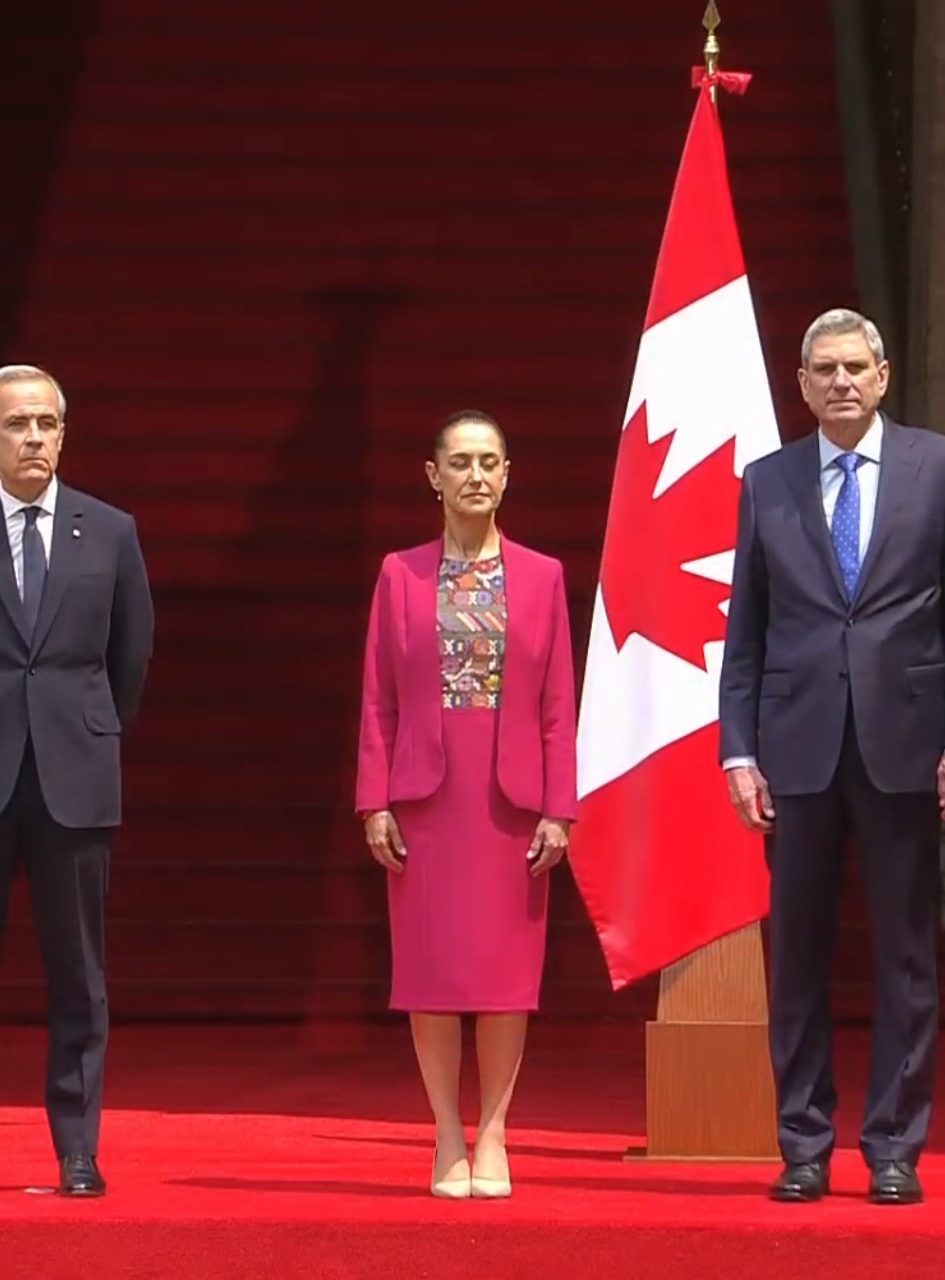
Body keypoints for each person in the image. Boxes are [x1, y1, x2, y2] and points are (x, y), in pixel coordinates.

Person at [719, 309, 945, 1206]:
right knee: (797, 954)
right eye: (824, 370)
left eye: (854, 367)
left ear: (883, 376)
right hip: (796, 749)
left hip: (904, 745)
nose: (840, 381)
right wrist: (737, 750)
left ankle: (894, 1148)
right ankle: (803, 1143)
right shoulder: (767, 482)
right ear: (802, 386)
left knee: (905, 954)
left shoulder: (940, 468)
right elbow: (747, 630)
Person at [0, 364, 155, 1199]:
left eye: (46, 423)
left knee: (78, 975)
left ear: (63, 433)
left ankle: (77, 1147)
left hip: (73, 778)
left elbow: (130, 658)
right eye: (17, 425)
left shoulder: (110, 532)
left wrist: (82, 730)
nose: (34, 437)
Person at [355, 411, 578, 1199]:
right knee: (433, 978)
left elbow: (558, 704)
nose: (475, 475)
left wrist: (560, 809)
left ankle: (495, 1134)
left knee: (505, 980)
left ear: (507, 475)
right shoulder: (400, 575)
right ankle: (447, 1133)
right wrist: (374, 801)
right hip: (425, 801)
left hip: (511, 803)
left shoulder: (544, 577)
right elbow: (378, 697)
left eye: (489, 462)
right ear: (434, 476)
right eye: (461, 462)